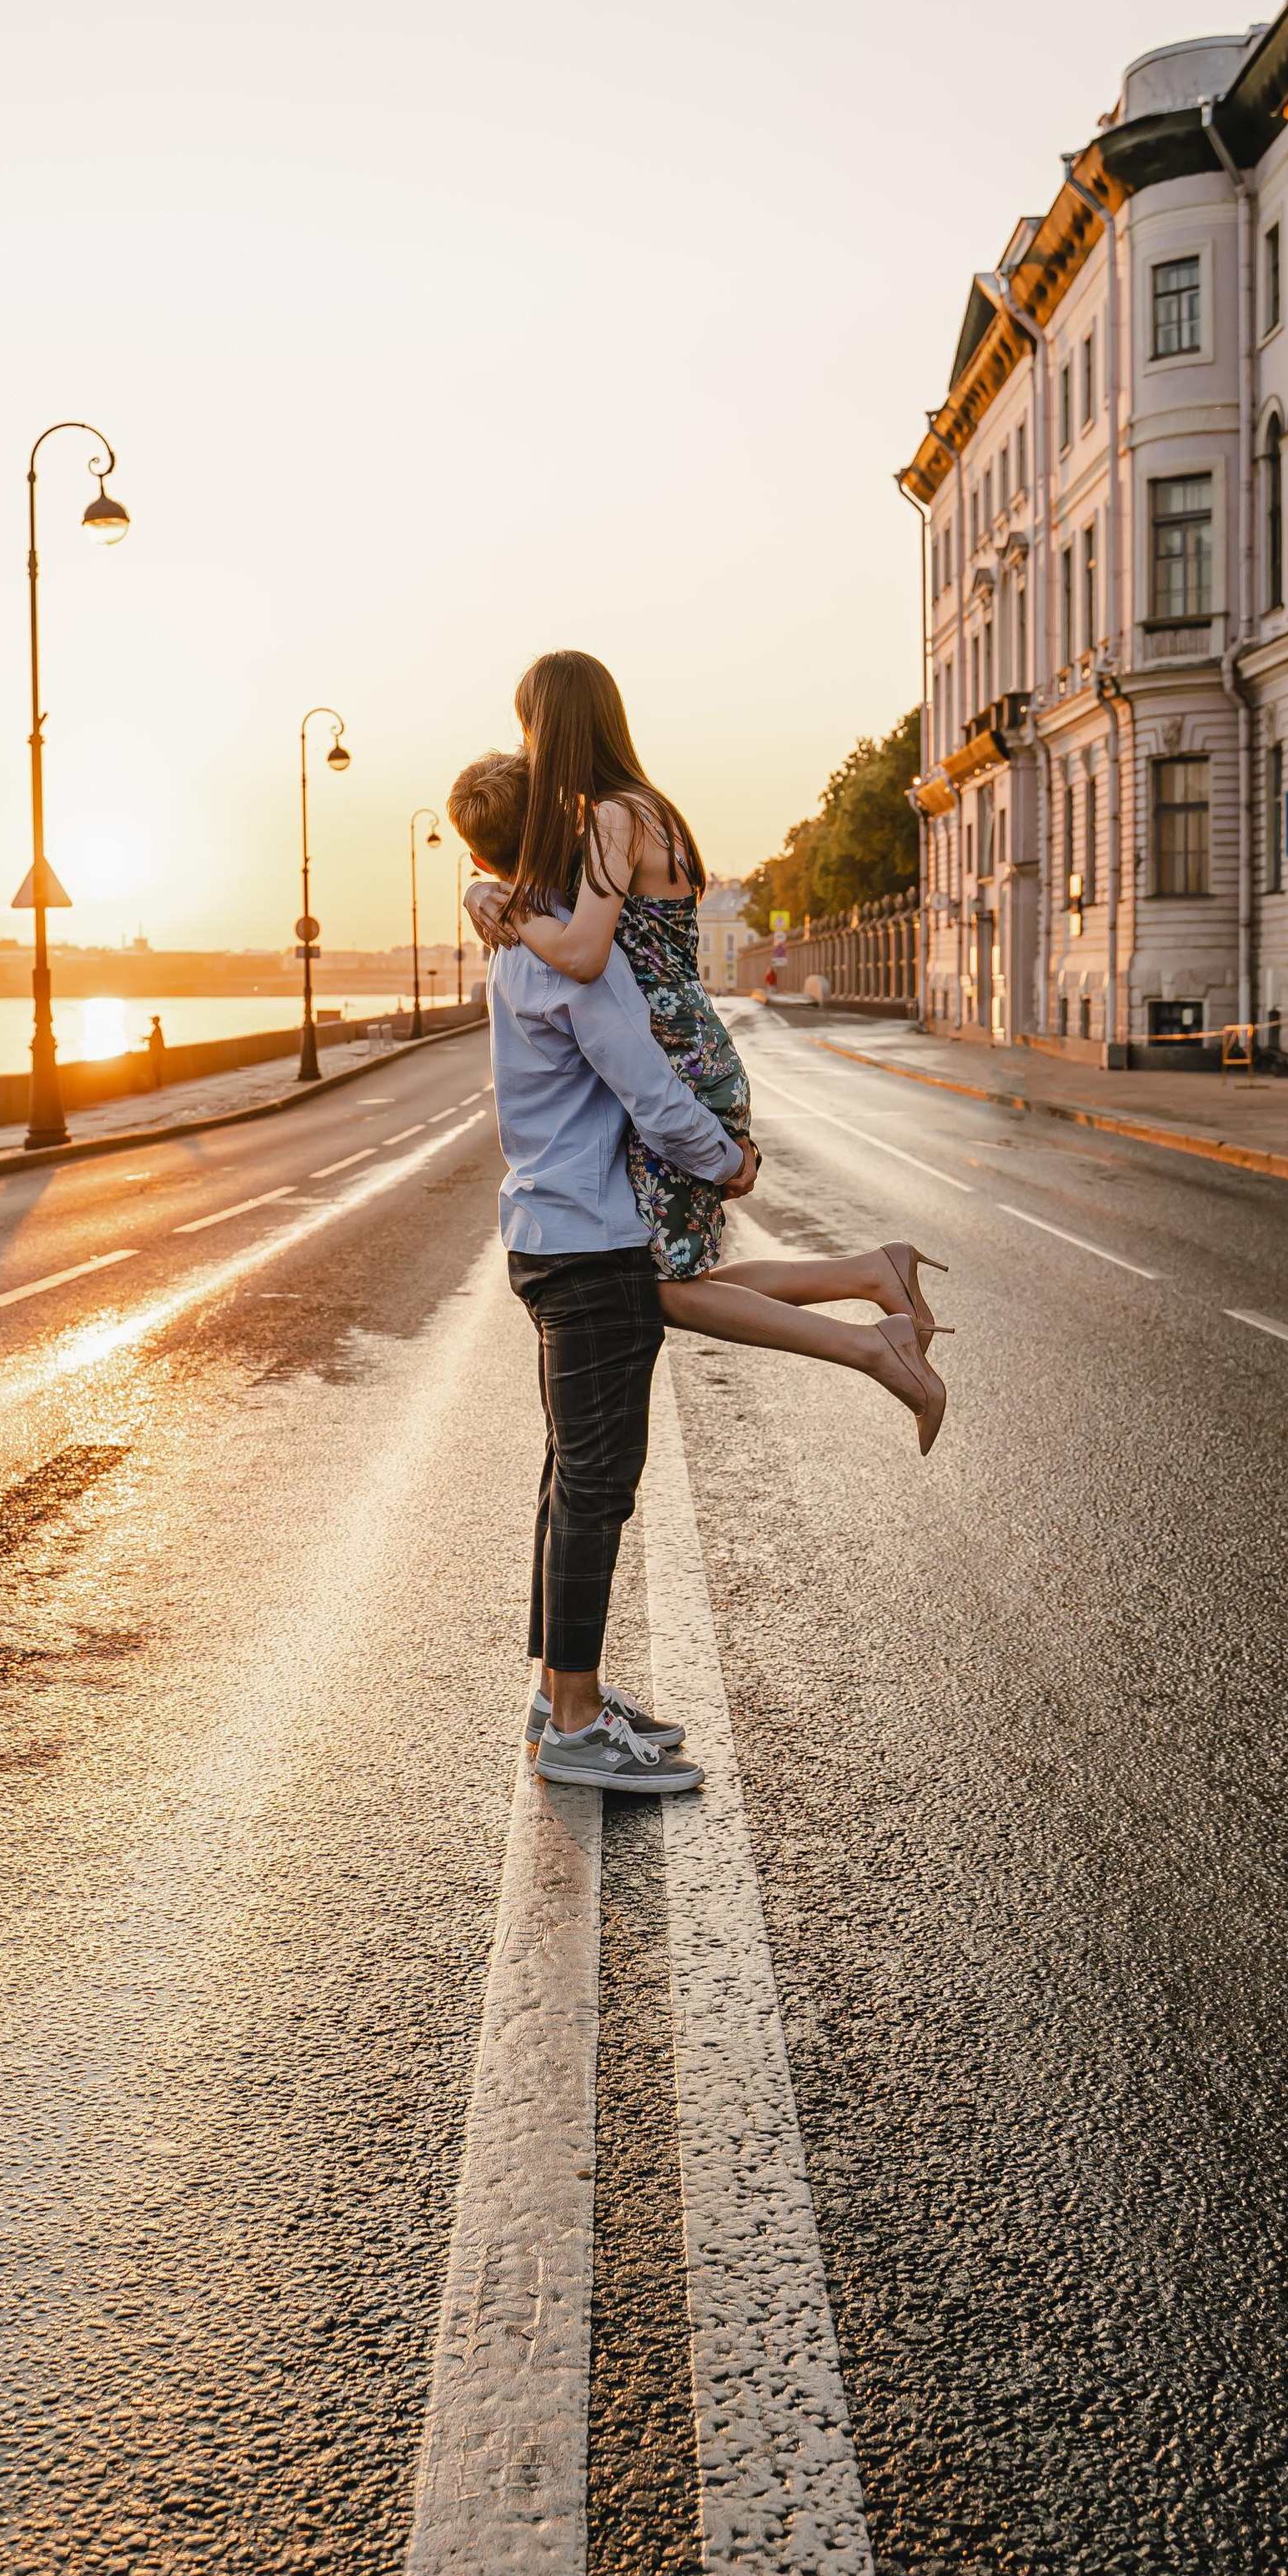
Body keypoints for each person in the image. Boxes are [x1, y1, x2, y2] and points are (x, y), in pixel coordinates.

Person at [463, 653, 949, 1452]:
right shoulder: (647, 807)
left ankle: (874, 1341)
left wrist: (502, 902)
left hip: (680, 1060)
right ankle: (874, 1277)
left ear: (550, 727)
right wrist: (489, 888)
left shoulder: (615, 817)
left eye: (529, 726)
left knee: (660, 1289)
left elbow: (583, 955)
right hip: (694, 1045)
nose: (527, 745)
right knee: (667, 1281)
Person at [449, 746, 777, 1797]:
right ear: (555, 828)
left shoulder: (513, 942)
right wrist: (727, 1162)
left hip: (545, 1232)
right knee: (595, 1487)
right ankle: (578, 1725)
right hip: (593, 1241)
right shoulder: (567, 955)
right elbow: (648, 1088)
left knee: (566, 1479)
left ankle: (561, 1691)